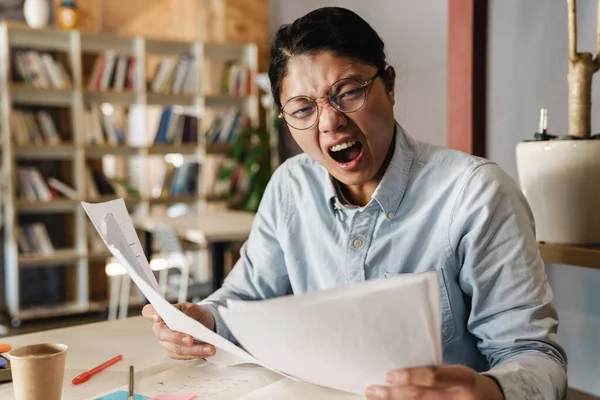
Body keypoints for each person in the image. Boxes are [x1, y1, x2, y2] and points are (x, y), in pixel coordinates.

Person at [142, 6, 567, 400]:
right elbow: (244, 298)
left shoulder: (477, 194)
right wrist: (205, 321)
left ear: (391, 85)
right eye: (303, 108)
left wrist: (486, 392)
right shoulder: (290, 186)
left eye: (347, 93)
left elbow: (537, 358)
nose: (329, 122)